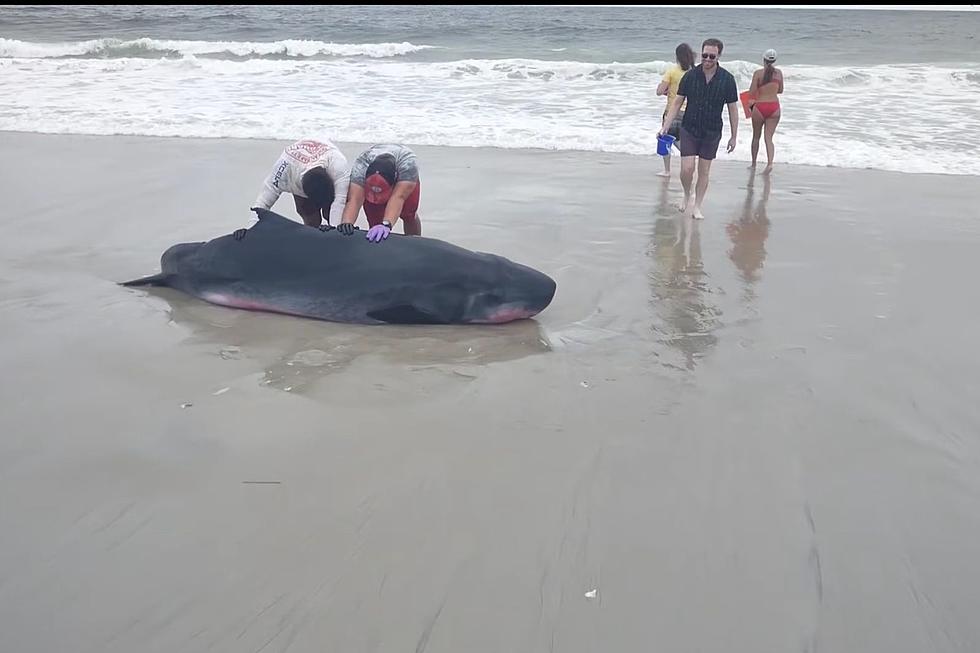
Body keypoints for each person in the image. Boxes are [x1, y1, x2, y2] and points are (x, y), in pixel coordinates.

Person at [658, 38, 739, 220]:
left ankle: (697, 206)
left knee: (704, 171)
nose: (708, 59)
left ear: (719, 56)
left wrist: (734, 136)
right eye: (705, 55)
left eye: (712, 56)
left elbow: (733, 110)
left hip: (712, 131)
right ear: (701, 54)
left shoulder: (727, 80)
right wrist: (665, 127)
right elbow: (677, 102)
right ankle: (687, 195)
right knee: (687, 169)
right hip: (689, 127)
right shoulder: (690, 76)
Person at [250, 139, 350, 230]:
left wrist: (334, 230)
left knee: (330, 214)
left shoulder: (338, 166)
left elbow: (339, 201)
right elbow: (261, 205)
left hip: (327, 163)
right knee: (311, 218)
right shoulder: (283, 172)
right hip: (295, 168)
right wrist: (250, 231)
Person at [338, 144, 421, 243]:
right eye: (372, 193)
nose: (375, 198)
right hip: (369, 170)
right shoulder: (360, 168)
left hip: (404, 179)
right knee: (375, 224)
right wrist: (346, 223)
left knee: (408, 215)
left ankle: (415, 242)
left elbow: (399, 197)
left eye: (379, 194)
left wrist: (387, 224)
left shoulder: (408, 167)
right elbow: (354, 200)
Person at [655, 43, 696, 177]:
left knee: (665, 139)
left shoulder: (672, 71)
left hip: (672, 111)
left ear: (677, 57)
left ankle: (667, 170)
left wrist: (667, 90)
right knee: (683, 142)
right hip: (690, 113)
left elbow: (659, 91)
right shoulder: (694, 72)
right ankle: (689, 164)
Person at [747, 49, 784, 175]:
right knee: (769, 138)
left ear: (764, 59)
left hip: (760, 107)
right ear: (774, 61)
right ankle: (769, 164)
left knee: (756, 137)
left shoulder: (758, 73)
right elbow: (780, 90)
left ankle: (753, 164)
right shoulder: (779, 73)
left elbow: (751, 92)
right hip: (774, 107)